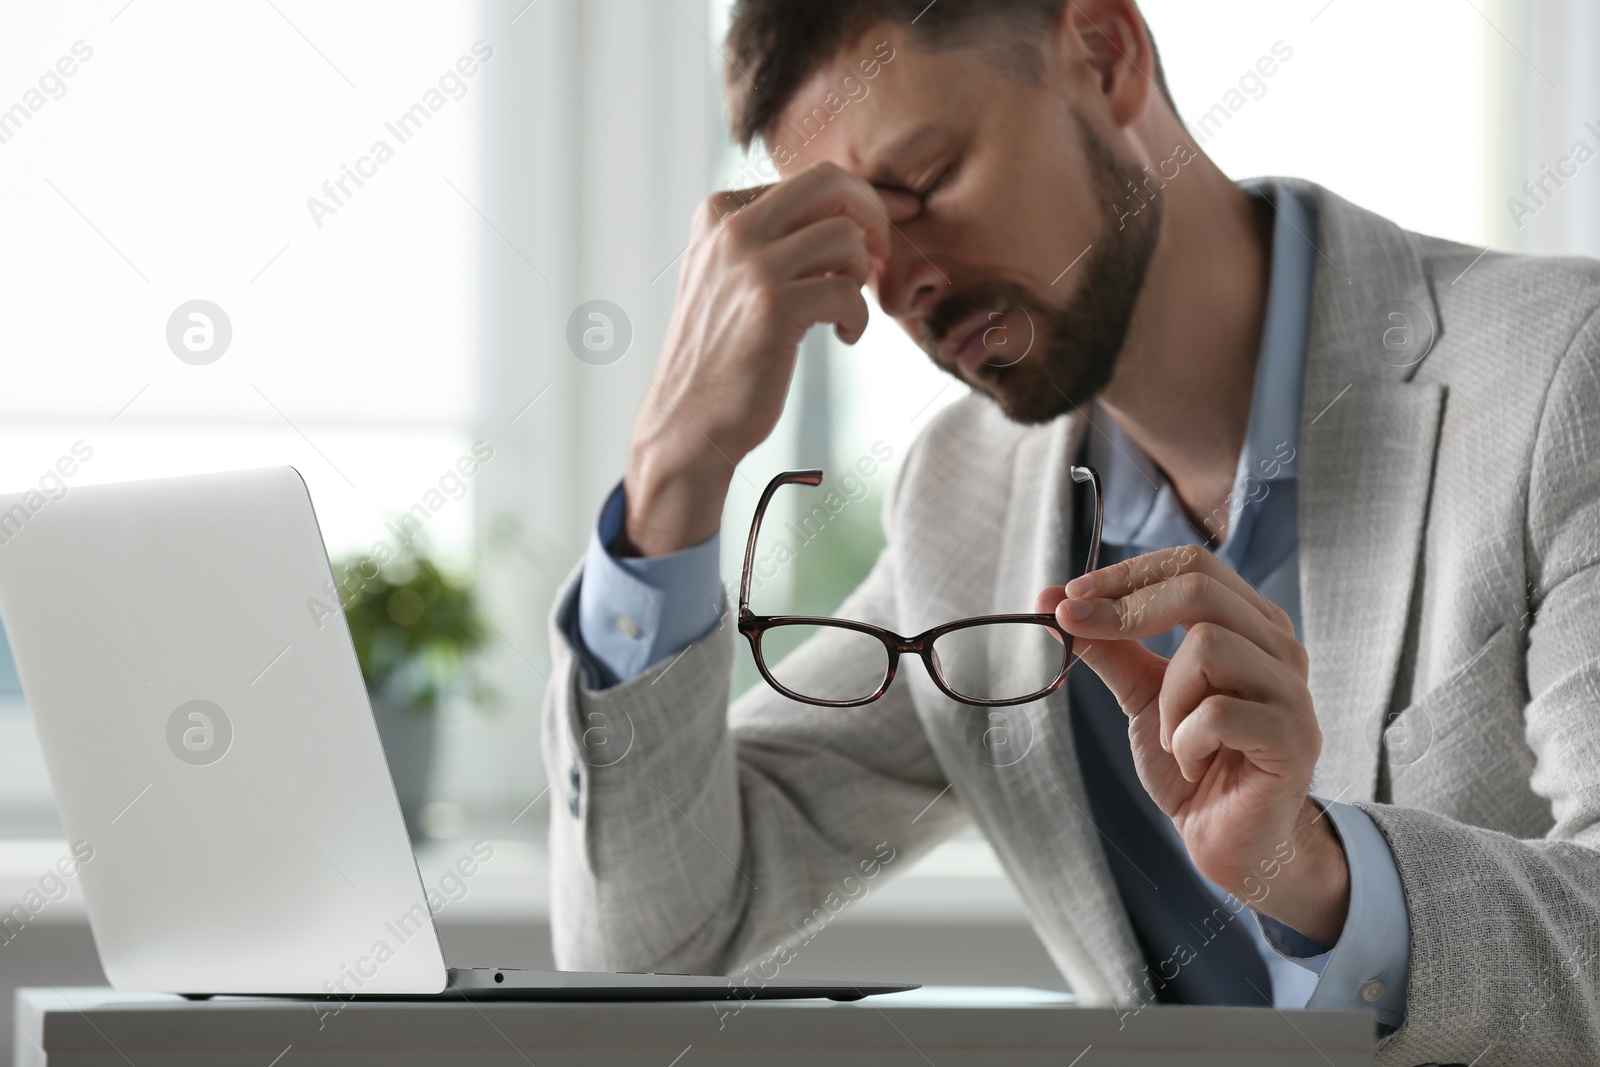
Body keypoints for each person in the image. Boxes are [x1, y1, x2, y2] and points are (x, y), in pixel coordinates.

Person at [540, 1, 1600, 1062]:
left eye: (925, 179)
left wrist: (1323, 873)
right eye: (858, 241)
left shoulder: (1560, 375)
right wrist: (672, 472)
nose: (900, 282)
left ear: (1103, 52)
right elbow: (647, 944)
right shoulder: (965, 503)